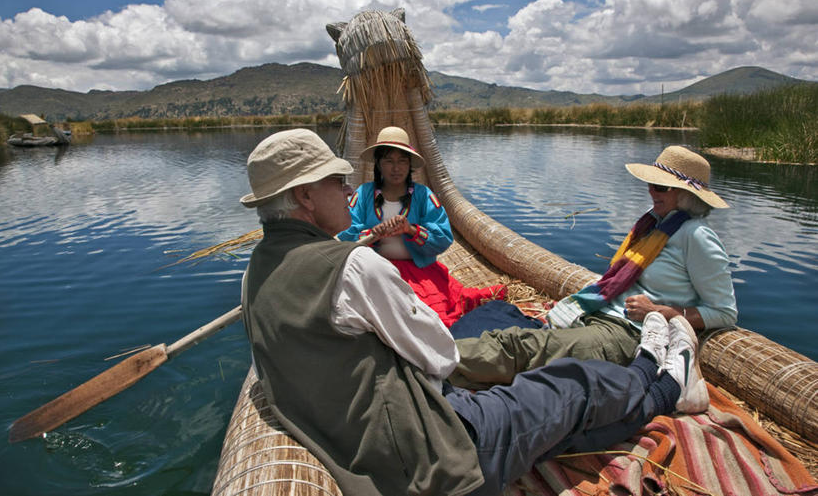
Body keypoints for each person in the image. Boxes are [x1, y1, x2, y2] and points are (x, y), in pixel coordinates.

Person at [239, 129, 709, 496]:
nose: (346, 190)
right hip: (441, 456)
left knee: (514, 362)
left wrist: (412, 236)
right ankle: (664, 381)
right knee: (572, 385)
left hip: (384, 438)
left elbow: (435, 243)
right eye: (334, 182)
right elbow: (441, 356)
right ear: (305, 197)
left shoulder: (253, 273)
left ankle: (637, 377)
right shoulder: (351, 263)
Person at [451, 145, 737, 389]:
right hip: (599, 314)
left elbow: (724, 312)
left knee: (521, 347)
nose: (651, 191)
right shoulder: (654, 224)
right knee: (503, 324)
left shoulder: (697, 236)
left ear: (685, 194)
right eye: (650, 183)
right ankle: (444, 367)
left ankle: (431, 364)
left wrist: (659, 311)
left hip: (628, 333)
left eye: (660, 186)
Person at [337, 126, 504, 326]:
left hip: (418, 274)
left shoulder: (424, 195)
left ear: (409, 165)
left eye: (402, 161)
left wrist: (411, 230)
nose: (396, 168)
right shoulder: (363, 194)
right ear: (378, 164)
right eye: (388, 161)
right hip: (375, 273)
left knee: (429, 319)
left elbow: (443, 238)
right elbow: (343, 233)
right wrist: (373, 234)